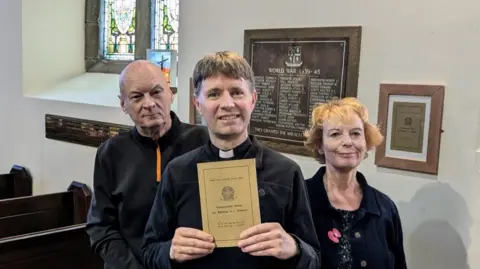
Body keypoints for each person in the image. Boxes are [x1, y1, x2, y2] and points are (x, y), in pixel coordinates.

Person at [141, 51, 321, 269]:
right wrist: (169, 251)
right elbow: (149, 252)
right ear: (197, 104)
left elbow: (314, 259)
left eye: (237, 92)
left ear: (252, 100)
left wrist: (294, 247)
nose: (227, 104)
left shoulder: (286, 172)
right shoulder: (178, 172)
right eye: (214, 94)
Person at [86, 60, 210, 269]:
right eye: (136, 96)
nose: (149, 103)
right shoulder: (111, 153)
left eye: (156, 92)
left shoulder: (204, 142)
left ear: (170, 94)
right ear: (123, 104)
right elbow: (101, 227)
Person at [303, 97, 407, 269]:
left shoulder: (384, 208)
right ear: (320, 145)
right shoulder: (300, 201)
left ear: (365, 142)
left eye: (356, 133)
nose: (348, 142)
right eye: (336, 134)